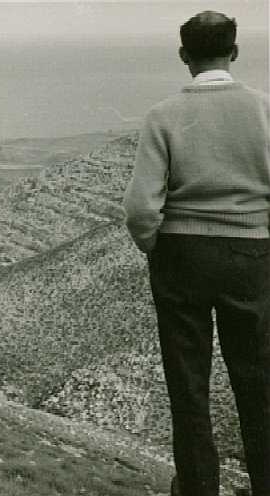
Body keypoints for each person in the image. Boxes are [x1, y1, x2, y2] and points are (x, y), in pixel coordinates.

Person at [122, 10, 270, 496]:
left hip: (181, 257)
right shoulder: (265, 109)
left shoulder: (163, 115)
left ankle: (198, 487)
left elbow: (142, 208)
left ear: (184, 55)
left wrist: (156, 248)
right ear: (235, 51)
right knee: (258, 379)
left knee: (188, 380)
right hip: (251, 255)